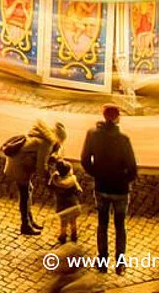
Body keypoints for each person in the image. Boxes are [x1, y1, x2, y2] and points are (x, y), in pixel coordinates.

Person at [81, 104, 137, 274]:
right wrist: (124, 180)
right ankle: (120, 263)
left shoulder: (93, 135)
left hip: (101, 187)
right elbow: (132, 167)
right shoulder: (123, 139)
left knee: (102, 224)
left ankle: (102, 260)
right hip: (120, 190)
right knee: (120, 226)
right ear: (117, 117)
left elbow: (85, 160)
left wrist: (97, 173)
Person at [4, 120, 67, 236]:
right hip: (18, 167)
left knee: (28, 191)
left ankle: (29, 220)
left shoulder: (41, 135)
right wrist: (48, 181)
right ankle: (25, 225)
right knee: (25, 195)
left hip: (19, 164)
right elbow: (41, 166)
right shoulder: (47, 143)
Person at [49, 158, 83, 246]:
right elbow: (79, 190)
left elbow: (50, 185)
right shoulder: (72, 180)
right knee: (73, 221)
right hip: (72, 204)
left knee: (63, 222)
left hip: (61, 205)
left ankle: (63, 236)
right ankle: (74, 235)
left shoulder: (55, 180)